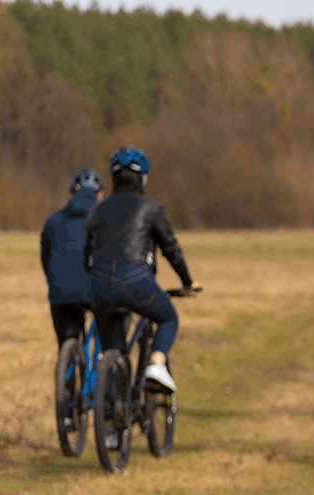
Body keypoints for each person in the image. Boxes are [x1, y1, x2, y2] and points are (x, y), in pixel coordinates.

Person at [83, 147, 199, 393]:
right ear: (144, 177)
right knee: (169, 318)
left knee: (112, 352)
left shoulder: (97, 210)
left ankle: (112, 422)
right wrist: (187, 282)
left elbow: (87, 254)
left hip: (100, 286)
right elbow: (171, 250)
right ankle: (156, 365)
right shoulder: (152, 208)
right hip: (137, 282)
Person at [40, 168, 103, 349]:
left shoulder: (52, 220)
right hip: (95, 290)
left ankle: (67, 364)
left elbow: (45, 258)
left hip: (60, 292)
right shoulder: (103, 217)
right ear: (99, 194)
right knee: (110, 332)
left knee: (67, 342)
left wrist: (53, 280)